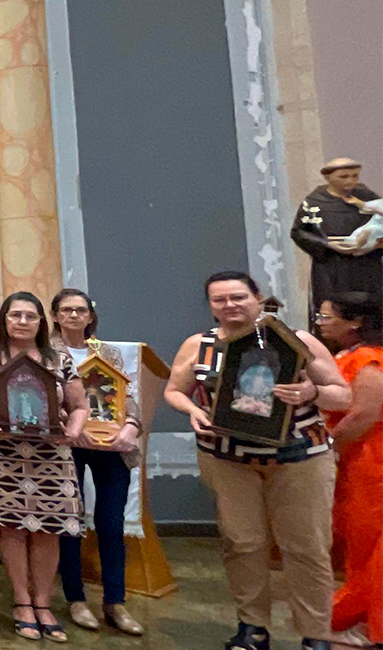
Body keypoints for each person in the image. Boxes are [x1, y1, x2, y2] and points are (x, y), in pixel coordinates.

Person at [165, 272, 350, 650]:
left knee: (307, 546)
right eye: (220, 300)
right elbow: (174, 391)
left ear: (257, 297)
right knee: (241, 542)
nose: (230, 305)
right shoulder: (198, 345)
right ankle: (252, 628)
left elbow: (341, 396)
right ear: (211, 305)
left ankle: (316, 633)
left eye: (238, 297)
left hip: (300, 458)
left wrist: (311, 390)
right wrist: (192, 411)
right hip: (228, 459)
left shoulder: (297, 340)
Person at [0, 292, 91, 642]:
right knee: (12, 529)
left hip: (51, 455)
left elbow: (79, 405)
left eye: (30, 316)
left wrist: (75, 430)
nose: (22, 321)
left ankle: (44, 603)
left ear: (41, 322)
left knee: (49, 529)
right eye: (15, 315)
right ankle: (21, 600)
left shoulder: (59, 359)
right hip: (3, 455)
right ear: (4, 320)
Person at [50, 289, 145, 635]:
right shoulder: (46, 352)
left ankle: (115, 602)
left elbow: (126, 395)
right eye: (66, 310)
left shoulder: (106, 353)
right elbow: (44, 397)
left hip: (112, 445)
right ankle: (75, 598)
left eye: (80, 310)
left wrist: (131, 426)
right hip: (67, 445)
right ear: (56, 316)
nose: (74, 316)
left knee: (110, 522)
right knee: (70, 522)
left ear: (91, 316)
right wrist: (72, 427)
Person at [319, 293, 383, 646]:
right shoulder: (348, 356)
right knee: (359, 544)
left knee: (372, 546)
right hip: (357, 459)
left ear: (355, 322)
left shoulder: (367, 358)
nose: (321, 321)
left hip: (371, 461)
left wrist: (327, 446)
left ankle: (371, 626)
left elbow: (366, 413)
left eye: (327, 316)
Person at [292, 159, 383, 306]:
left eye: (355, 176)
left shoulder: (367, 198)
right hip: (331, 267)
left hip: (367, 266)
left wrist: (376, 244)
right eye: (344, 176)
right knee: (333, 309)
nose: (351, 180)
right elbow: (299, 233)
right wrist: (327, 244)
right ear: (328, 177)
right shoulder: (314, 202)